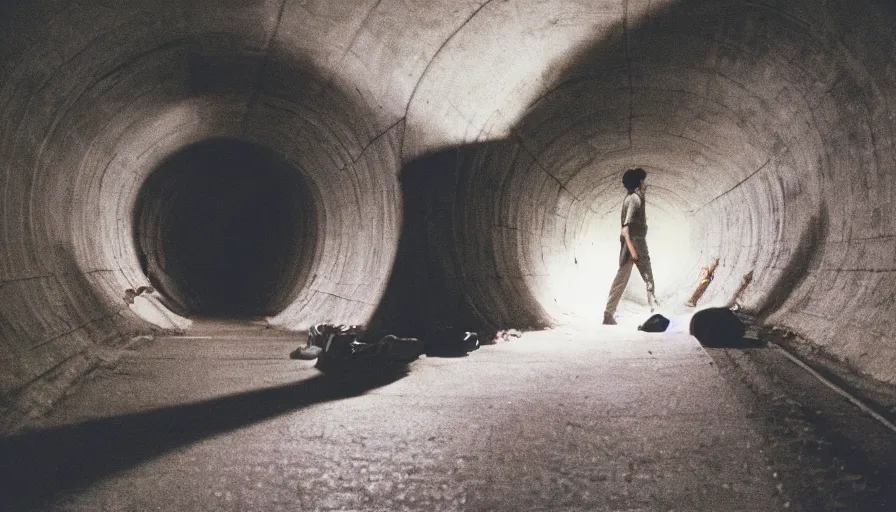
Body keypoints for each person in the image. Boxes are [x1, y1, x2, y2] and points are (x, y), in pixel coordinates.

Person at [603, 168, 658, 325]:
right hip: (635, 243)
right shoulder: (634, 199)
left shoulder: (634, 197)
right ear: (639, 183)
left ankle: (608, 313)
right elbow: (626, 228)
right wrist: (633, 251)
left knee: (621, 279)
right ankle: (655, 312)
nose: (646, 184)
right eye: (644, 181)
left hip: (633, 243)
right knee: (648, 278)